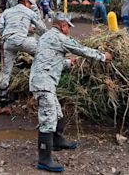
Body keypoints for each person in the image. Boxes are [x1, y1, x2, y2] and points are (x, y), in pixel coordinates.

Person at [29, 12, 112, 172]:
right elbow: (80, 49)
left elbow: (50, 58)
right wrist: (103, 56)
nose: (69, 30)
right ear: (62, 25)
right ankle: (44, 159)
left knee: (57, 114)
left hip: (44, 82)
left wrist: (68, 63)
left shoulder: (46, 37)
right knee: (48, 119)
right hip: (43, 83)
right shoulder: (59, 38)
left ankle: (57, 141)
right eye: (68, 27)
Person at [0, 0, 47, 107]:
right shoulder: (29, 12)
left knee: (6, 70)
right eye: (30, 3)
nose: (30, 6)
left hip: (7, 42)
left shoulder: (6, 12)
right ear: (25, 2)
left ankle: (3, 96)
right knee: (43, 53)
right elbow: (42, 28)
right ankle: (43, 81)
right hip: (23, 40)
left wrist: (8, 35)